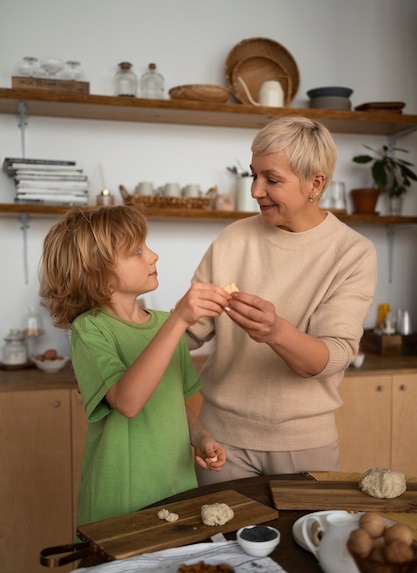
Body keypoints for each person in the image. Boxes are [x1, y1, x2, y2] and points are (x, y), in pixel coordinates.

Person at [186, 116, 378, 485]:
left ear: (315, 183)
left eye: (272, 180)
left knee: (308, 543)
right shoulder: (233, 239)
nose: (256, 190)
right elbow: (189, 331)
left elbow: (333, 356)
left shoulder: (352, 253)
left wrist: (275, 331)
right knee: (219, 544)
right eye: (253, 175)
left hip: (305, 446)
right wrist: (123, 349)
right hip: (220, 442)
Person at [39, 204, 228, 526]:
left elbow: (172, 399)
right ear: (98, 274)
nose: (153, 256)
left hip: (176, 483)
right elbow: (127, 402)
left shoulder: (165, 324)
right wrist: (179, 320)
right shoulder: (91, 329)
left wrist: (201, 436)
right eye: (137, 251)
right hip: (122, 495)